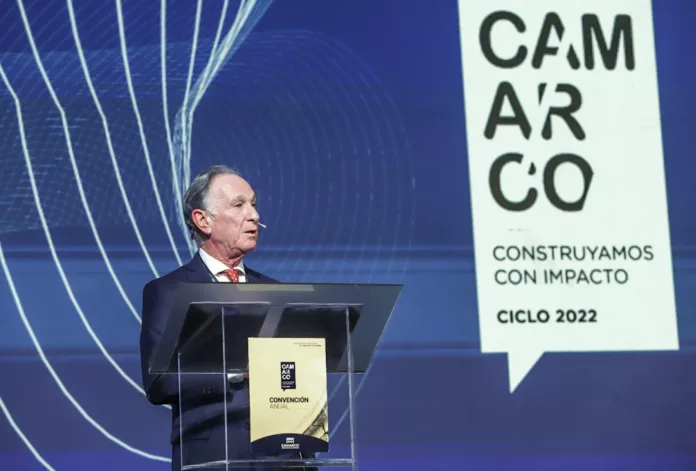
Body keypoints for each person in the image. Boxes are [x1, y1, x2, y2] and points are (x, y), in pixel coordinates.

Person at [139, 165, 312, 470]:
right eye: (238, 205)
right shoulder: (169, 291)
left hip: (281, 458)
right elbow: (159, 382)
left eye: (254, 204)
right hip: (213, 457)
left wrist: (305, 454)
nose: (254, 215)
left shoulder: (276, 291)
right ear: (203, 220)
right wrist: (236, 374)